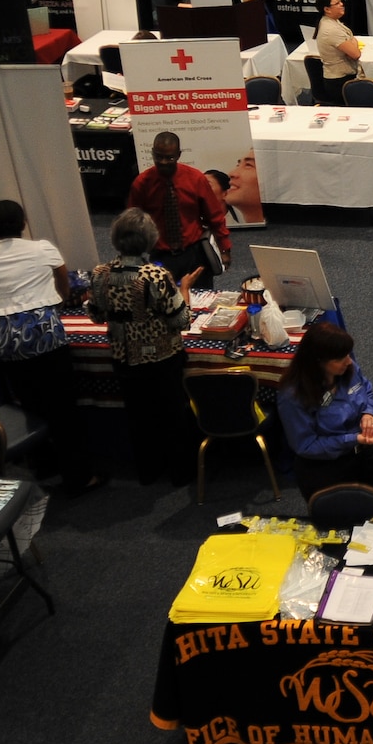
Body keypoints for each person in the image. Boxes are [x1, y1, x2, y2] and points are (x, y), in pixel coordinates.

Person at [0, 200, 97, 493]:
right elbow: (63, 283)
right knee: (62, 407)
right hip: (43, 334)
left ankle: (42, 462)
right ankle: (79, 475)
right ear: (23, 224)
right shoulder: (43, 250)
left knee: (27, 403)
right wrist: (57, 302)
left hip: (3, 341)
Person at [87, 208, 198, 485]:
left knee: (139, 419)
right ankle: (181, 474)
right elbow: (182, 320)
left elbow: (96, 315)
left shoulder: (101, 274)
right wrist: (185, 289)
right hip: (162, 359)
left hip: (123, 357)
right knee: (172, 417)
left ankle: (148, 471)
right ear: (150, 240)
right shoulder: (156, 276)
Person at [277, 322, 373, 499]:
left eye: (347, 354)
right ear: (317, 361)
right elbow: (306, 445)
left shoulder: (349, 368)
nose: (348, 361)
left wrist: (368, 413)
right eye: (339, 359)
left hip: (364, 457)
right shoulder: (293, 396)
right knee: (338, 523)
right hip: (326, 470)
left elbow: (366, 389)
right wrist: (353, 438)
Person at [126, 131, 231, 282]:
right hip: (161, 256)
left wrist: (225, 249)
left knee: (202, 300)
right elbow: (133, 224)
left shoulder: (195, 179)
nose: (163, 162)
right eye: (158, 156)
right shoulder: (142, 183)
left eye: (169, 157)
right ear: (152, 154)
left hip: (194, 253)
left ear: (178, 155)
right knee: (165, 302)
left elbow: (214, 216)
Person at [311, 0, 362, 105]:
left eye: (340, 1)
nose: (342, 4)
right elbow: (355, 54)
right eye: (337, 3)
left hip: (339, 77)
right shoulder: (331, 30)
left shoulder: (330, 21)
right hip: (339, 82)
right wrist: (353, 41)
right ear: (327, 9)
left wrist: (352, 42)